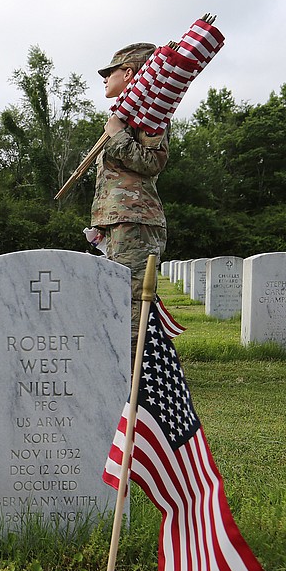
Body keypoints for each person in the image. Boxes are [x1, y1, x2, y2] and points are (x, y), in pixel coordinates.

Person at [90, 42, 168, 353]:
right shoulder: (125, 117)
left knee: (133, 299)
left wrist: (118, 134)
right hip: (118, 221)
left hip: (135, 220)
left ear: (130, 72)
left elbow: (152, 162)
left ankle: (133, 374)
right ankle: (120, 365)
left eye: (110, 72)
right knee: (116, 295)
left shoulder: (151, 114)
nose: (104, 78)